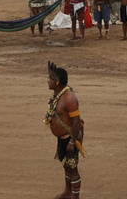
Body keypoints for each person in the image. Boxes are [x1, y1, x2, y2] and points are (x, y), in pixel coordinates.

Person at [44, 61, 84, 198]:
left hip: (70, 138)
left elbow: (76, 122)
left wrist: (73, 142)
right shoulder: (57, 94)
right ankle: (68, 192)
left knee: (72, 168)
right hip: (62, 138)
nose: (47, 81)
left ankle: (75, 196)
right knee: (66, 165)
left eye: (50, 79)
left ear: (57, 82)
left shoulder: (69, 98)